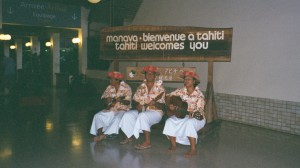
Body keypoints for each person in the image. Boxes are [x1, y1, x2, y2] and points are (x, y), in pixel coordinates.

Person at [119, 65, 165, 150]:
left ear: (155, 75)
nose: (149, 75)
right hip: (142, 110)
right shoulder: (141, 87)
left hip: (156, 112)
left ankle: (147, 142)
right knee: (127, 115)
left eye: (151, 74)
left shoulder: (160, 88)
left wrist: (155, 103)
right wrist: (137, 105)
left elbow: (163, 106)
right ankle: (129, 136)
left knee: (143, 116)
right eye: (147, 73)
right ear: (145, 75)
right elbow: (135, 100)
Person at [163, 71, 206, 157]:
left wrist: (186, 112)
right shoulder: (180, 91)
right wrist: (170, 105)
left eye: (188, 79)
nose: (185, 81)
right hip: (182, 115)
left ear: (194, 81)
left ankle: (193, 149)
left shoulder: (199, 95)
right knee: (169, 121)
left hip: (197, 118)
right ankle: (173, 144)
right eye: (185, 79)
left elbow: (199, 113)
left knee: (189, 123)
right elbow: (167, 97)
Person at [90, 71, 132, 142]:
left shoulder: (126, 87)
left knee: (117, 118)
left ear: (118, 80)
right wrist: (107, 100)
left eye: (112, 79)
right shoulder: (109, 87)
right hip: (111, 109)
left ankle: (105, 136)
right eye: (110, 79)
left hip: (123, 109)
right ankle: (100, 134)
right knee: (98, 115)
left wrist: (121, 100)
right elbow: (104, 98)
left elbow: (128, 102)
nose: (110, 81)